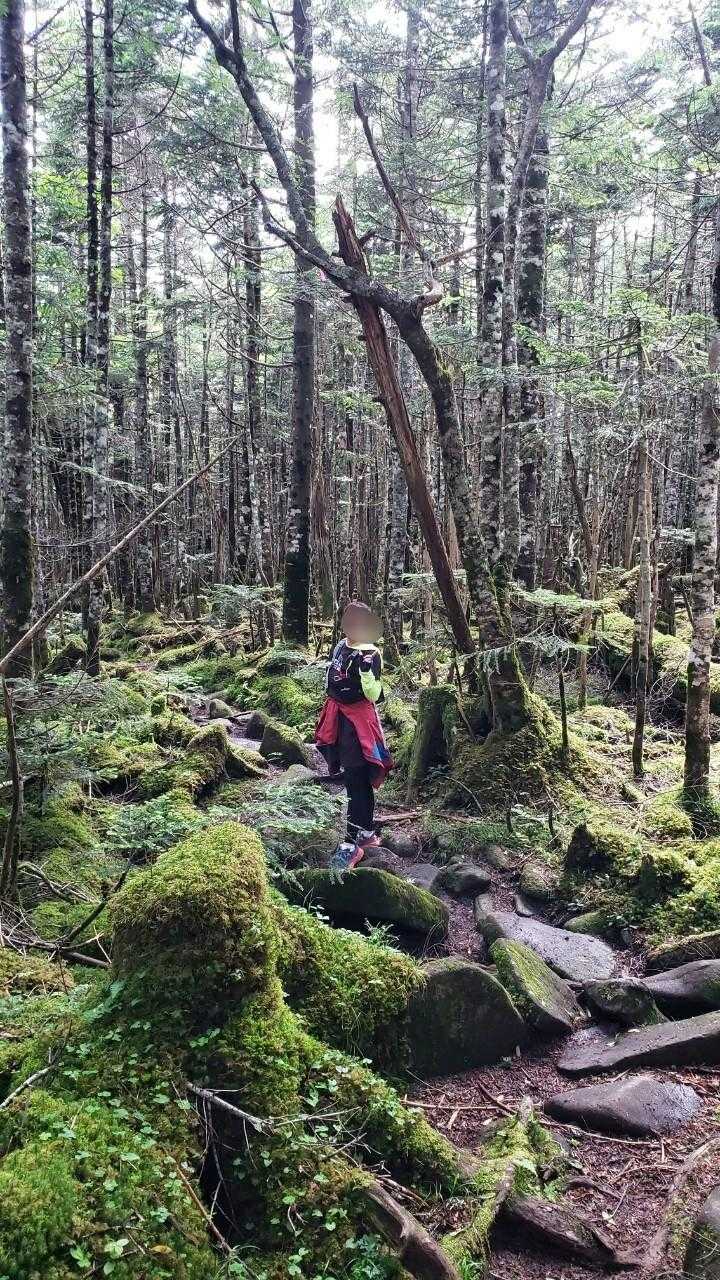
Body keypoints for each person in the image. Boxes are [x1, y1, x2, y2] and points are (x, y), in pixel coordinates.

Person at [315, 602, 392, 870]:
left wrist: (366, 671)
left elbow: (373, 695)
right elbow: (331, 677)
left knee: (357, 778)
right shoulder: (340, 646)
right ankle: (367, 833)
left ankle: (351, 844)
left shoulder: (371, 654)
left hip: (359, 722)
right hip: (338, 715)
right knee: (354, 777)